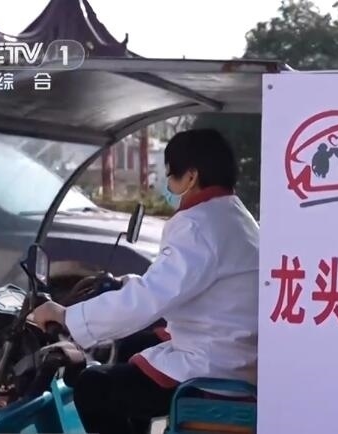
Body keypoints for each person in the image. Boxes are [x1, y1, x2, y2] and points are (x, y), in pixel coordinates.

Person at [30, 129, 259, 434]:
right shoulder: (235, 217)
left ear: (191, 176)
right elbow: (179, 282)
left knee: (93, 387)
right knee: (134, 345)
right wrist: (132, 284)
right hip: (234, 350)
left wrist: (66, 316)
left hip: (213, 366)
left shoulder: (197, 225)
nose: (168, 185)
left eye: (171, 175)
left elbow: (151, 297)